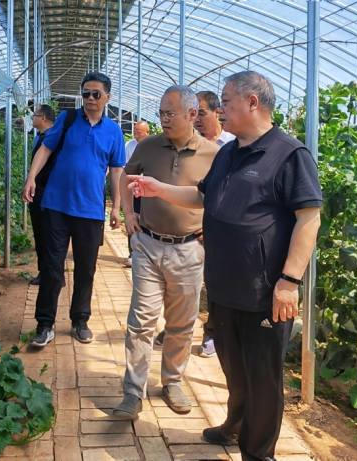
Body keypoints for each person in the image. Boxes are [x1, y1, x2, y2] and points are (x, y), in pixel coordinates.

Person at [126, 71, 322, 461]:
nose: (217, 109)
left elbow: (309, 218)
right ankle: (235, 423)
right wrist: (158, 189)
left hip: (264, 291)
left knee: (262, 378)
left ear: (252, 102)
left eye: (226, 101)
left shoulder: (288, 154)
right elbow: (202, 196)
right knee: (233, 367)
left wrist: (289, 281)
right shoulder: (229, 152)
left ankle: (258, 453)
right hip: (223, 285)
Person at [112, 86, 219, 418]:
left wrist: (212, 226)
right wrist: (128, 213)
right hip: (148, 244)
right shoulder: (148, 145)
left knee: (181, 323)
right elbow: (126, 177)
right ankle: (133, 391)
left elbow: (219, 196)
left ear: (191, 114)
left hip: (189, 249)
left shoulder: (213, 154)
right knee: (141, 321)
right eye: (161, 113)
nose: (164, 119)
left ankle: (172, 382)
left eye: (170, 113)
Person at [22, 72, 126, 346]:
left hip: (90, 211)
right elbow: (46, 148)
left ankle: (80, 320)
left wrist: (116, 207)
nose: (90, 98)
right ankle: (45, 324)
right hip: (56, 206)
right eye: (86, 93)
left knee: (85, 269)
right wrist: (31, 177)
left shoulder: (114, 131)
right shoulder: (67, 119)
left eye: (96, 94)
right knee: (51, 267)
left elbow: (116, 171)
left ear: (107, 97)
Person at [155, 90, 235, 358]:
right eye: (194, 114)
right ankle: (174, 327)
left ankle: (212, 333)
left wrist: (210, 223)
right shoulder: (188, 143)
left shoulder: (231, 145)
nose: (197, 119)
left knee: (215, 283)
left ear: (217, 112)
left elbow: (229, 194)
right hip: (188, 232)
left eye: (201, 113)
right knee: (183, 286)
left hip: (215, 230)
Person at [27, 104, 57, 286]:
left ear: (43, 118)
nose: (33, 118)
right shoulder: (39, 138)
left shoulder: (54, 138)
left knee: (49, 234)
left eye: (35, 115)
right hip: (38, 191)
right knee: (40, 233)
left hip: (49, 194)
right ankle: (45, 271)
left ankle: (51, 273)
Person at [123, 121, 150, 267]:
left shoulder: (153, 146)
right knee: (133, 219)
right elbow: (124, 167)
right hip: (134, 191)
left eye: (139, 132)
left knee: (147, 221)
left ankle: (145, 254)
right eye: (135, 132)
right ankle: (132, 254)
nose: (136, 135)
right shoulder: (129, 145)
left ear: (147, 132)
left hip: (149, 192)